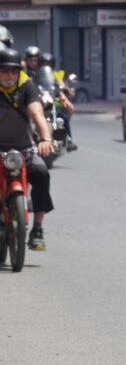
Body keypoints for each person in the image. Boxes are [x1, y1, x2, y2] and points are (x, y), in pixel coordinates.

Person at [0, 48, 55, 250]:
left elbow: (37, 113)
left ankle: (38, 228)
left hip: (24, 149)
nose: (9, 76)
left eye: (13, 71)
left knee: (41, 171)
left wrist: (45, 138)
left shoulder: (26, 85)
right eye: (4, 71)